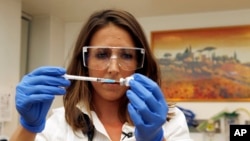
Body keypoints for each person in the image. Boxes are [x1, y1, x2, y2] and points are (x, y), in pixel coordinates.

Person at [10, 9, 193, 141]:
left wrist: (156, 139)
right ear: (85, 62)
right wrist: (27, 127)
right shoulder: (57, 124)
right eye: (102, 55)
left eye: (127, 55)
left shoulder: (171, 121)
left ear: (138, 64)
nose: (113, 68)